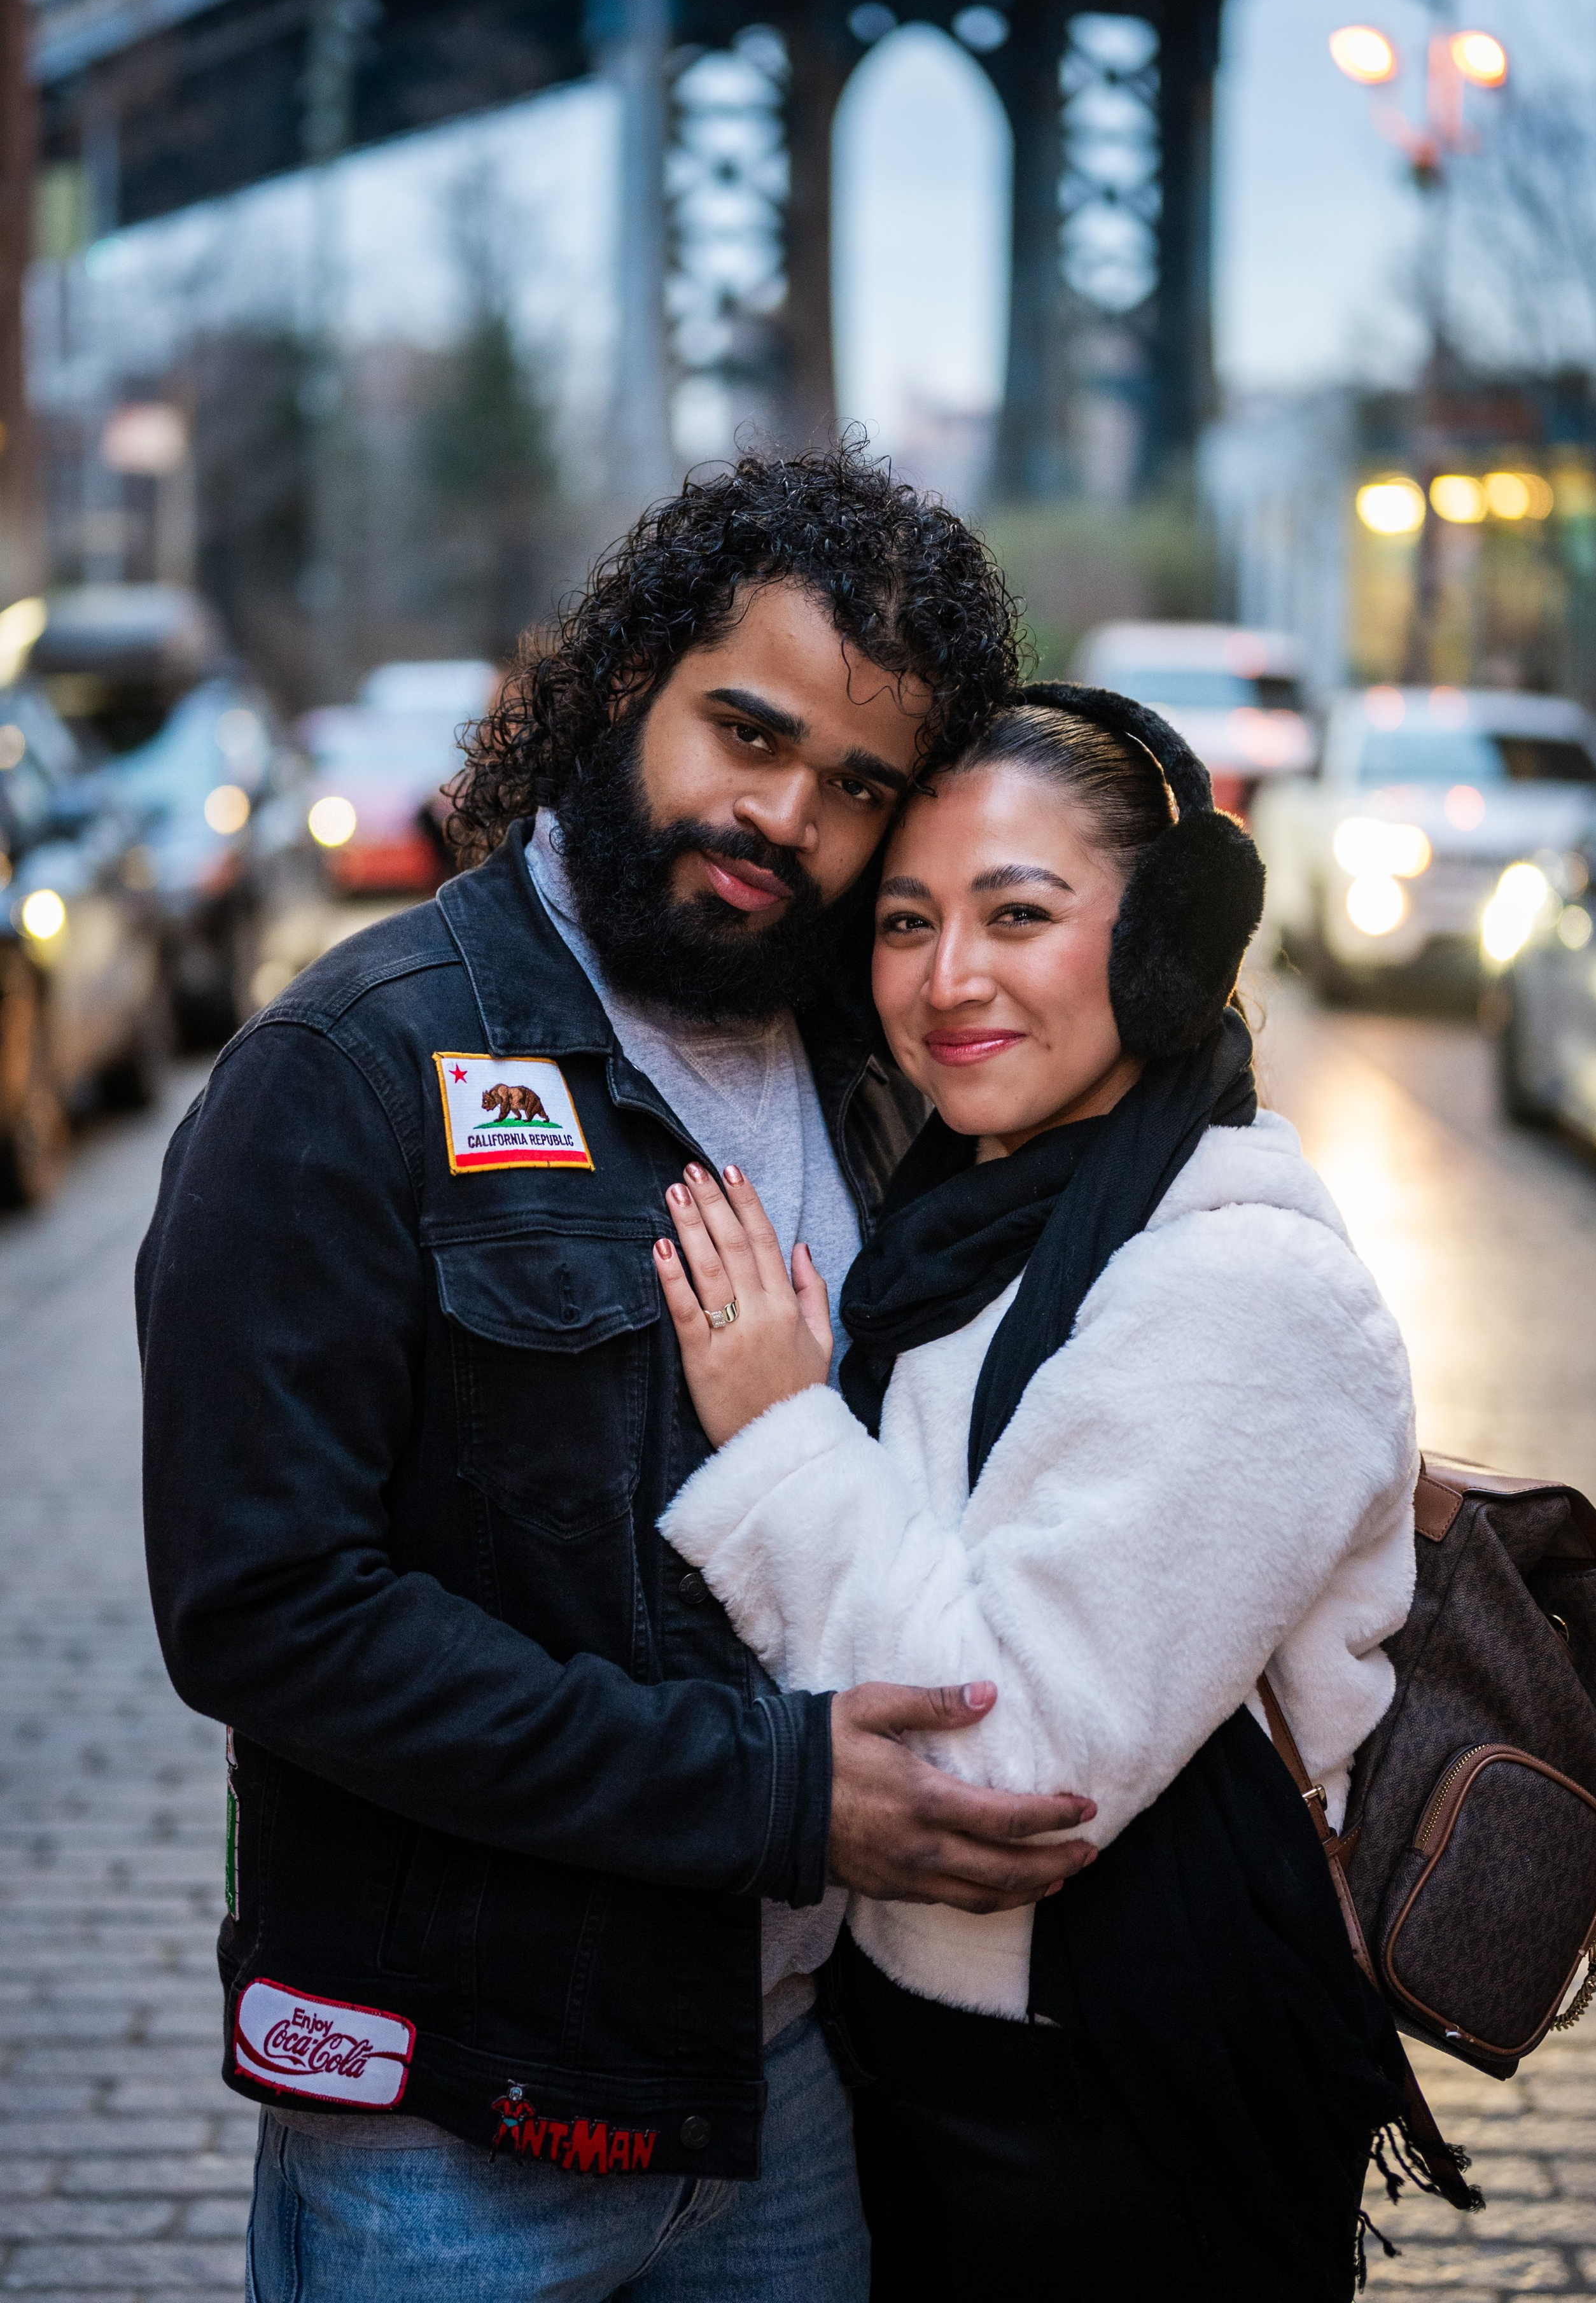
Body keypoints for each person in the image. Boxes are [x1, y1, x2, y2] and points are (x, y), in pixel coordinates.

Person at [136, 451, 1102, 2303]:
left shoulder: (881, 1078)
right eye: (742, 729)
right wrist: (768, 1791)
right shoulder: (351, 1071)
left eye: (855, 788)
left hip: (781, 2091)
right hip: (451, 2134)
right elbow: (265, 1610)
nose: (781, 814)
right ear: (611, 685)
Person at [654, 688, 1441, 2302]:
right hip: (937, 2075)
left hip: (1124, 2118)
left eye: (1019, 914)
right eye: (904, 921)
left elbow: (1007, 1773)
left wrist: (780, 1434)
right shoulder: (960, 1230)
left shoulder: (1243, 1288)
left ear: (1165, 947)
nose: (950, 981)